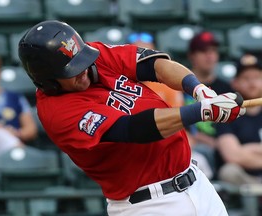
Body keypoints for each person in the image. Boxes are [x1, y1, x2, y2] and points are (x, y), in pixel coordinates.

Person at [18, 20, 246, 216]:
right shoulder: (57, 113)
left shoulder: (92, 56)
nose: (83, 70)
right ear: (47, 81)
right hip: (149, 204)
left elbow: (154, 65)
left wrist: (198, 90)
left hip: (196, 183)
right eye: (72, 70)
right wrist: (200, 112)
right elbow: (134, 129)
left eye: (82, 61)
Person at [185, 31, 234, 178]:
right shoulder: (180, 86)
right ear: (192, 56)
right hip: (193, 146)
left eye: (213, 51)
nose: (209, 55)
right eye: (203, 51)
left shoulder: (226, 88)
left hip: (223, 147)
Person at [215, 54, 262, 185]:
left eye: (257, 77)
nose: (252, 83)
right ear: (235, 83)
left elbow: (239, 153)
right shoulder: (227, 115)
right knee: (229, 171)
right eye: (246, 78)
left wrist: (247, 149)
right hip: (246, 179)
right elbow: (232, 155)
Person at [127, 31, 184, 107]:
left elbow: (178, 115)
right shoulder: (116, 82)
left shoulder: (167, 85)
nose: (140, 60)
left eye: (144, 54)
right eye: (136, 54)